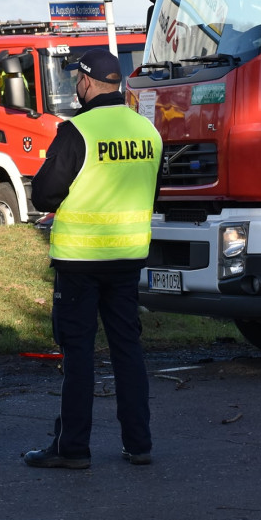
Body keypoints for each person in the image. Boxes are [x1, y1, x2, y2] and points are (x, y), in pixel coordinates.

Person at [24, 49, 162, 470]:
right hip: (127, 258)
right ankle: (139, 444)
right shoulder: (148, 132)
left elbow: (45, 194)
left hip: (80, 261)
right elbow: (151, 193)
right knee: (127, 350)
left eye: (76, 81)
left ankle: (73, 448)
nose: (75, 88)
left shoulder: (76, 131)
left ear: (86, 83)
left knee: (79, 354)